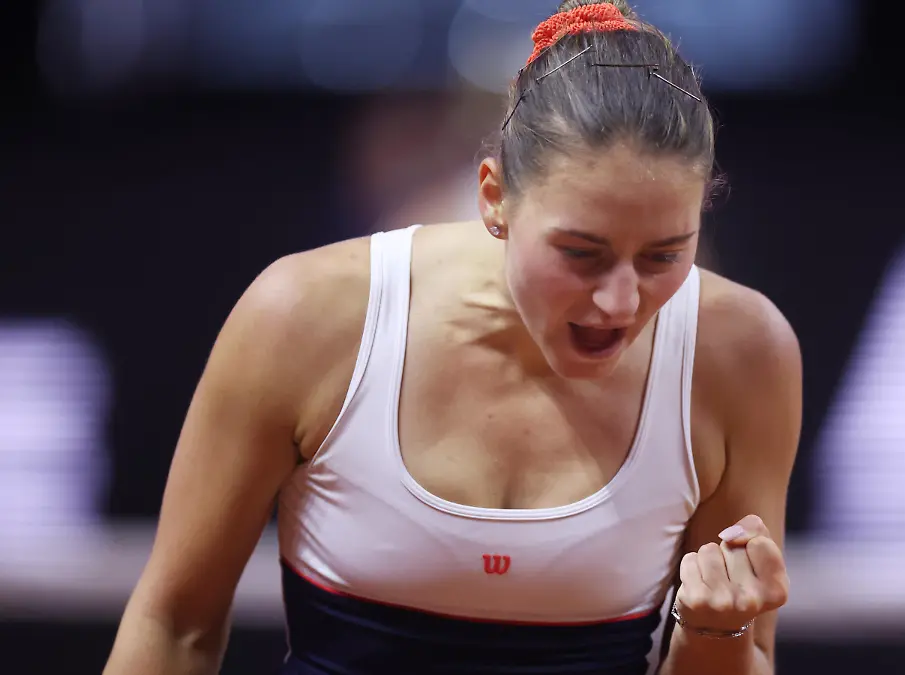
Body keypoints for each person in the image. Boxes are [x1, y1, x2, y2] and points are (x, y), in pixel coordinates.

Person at [102, 1, 802, 673]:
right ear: (495, 198)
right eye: (581, 253)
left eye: (663, 256)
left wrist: (717, 626)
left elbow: (743, 655)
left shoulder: (742, 354)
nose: (621, 300)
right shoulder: (304, 317)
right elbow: (174, 626)